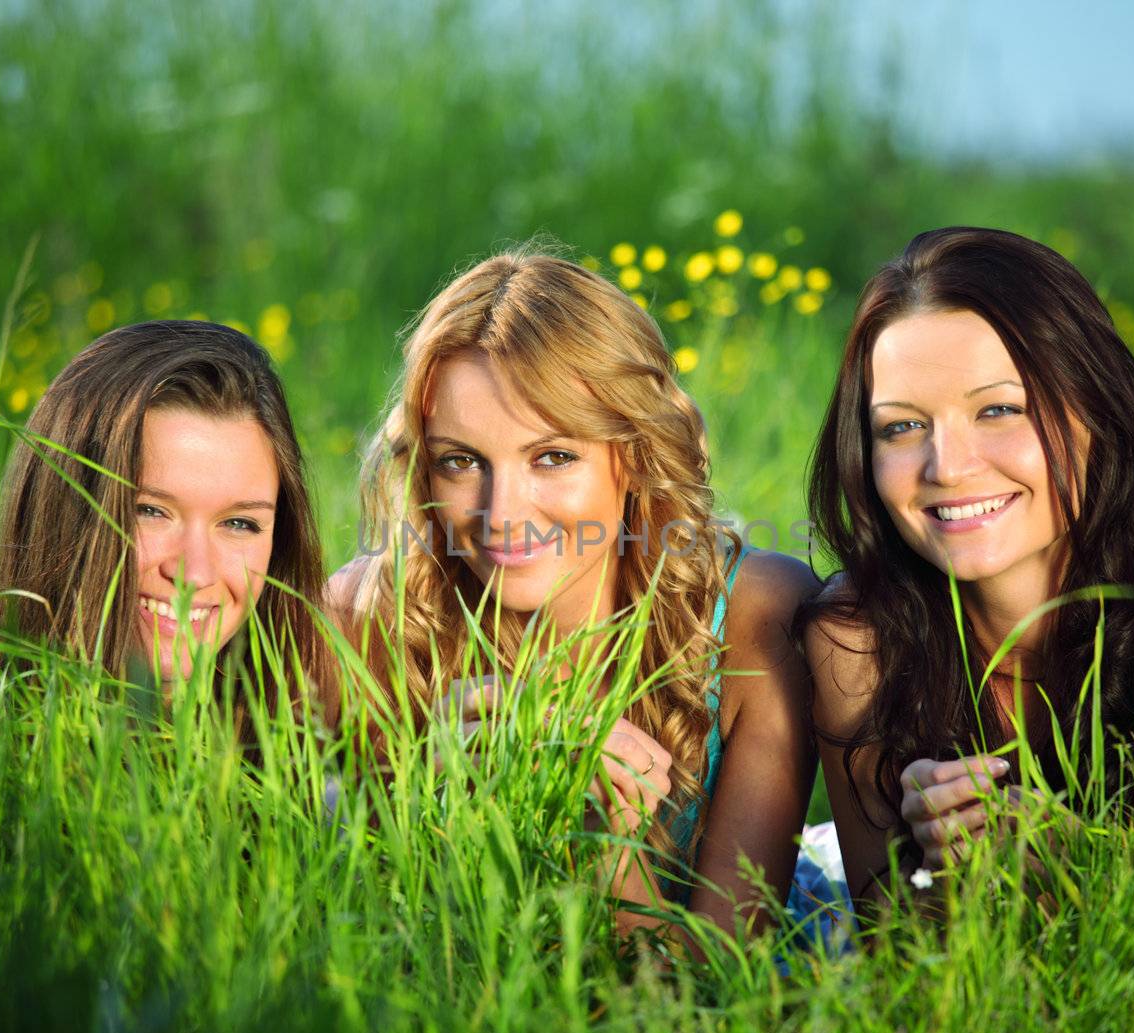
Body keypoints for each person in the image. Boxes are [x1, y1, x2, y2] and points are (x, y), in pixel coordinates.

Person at [328, 247, 819, 938]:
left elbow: (709, 988)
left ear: (635, 452)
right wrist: (426, 806)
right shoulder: (368, 618)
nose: (503, 512)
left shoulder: (755, 614)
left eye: (553, 456)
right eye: (461, 461)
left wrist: (605, 831)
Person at [799, 227, 1134, 908]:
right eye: (903, 427)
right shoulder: (855, 636)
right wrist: (931, 875)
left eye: (999, 410)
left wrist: (1065, 861)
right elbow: (896, 968)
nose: (948, 466)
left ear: (1097, 410)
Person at [0, 320, 336, 724]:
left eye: (239, 524)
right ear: (64, 503)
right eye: (149, 511)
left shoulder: (303, 706)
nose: (195, 573)